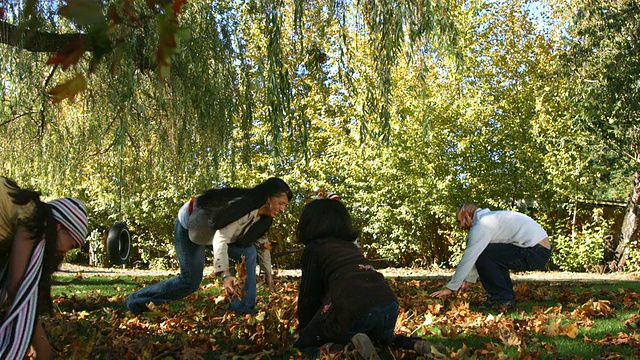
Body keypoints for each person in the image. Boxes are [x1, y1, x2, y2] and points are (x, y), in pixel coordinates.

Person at [294, 199, 442, 359]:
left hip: (352, 308)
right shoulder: (351, 247)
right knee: (381, 340)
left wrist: (306, 331)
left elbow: (309, 296)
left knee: (308, 344)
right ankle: (414, 345)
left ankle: (344, 350)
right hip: (388, 305)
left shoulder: (314, 249)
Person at [125, 177, 292, 316]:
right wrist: (225, 274)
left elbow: (262, 246)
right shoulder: (242, 206)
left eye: (285, 205)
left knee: (248, 251)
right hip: (193, 225)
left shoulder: (264, 219)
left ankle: (243, 308)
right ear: (268, 197)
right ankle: (136, 299)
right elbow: (221, 237)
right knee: (190, 281)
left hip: (214, 235)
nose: (283, 209)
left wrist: (269, 276)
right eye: (281, 203)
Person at [0, 176, 88, 360]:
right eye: (70, 245)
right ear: (59, 228)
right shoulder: (33, 221)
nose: (64, 253)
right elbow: (17, 287)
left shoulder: (26, 212)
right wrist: (41, 346)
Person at [431, 202, 552, 308]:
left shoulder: (482, 224)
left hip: (535, 251)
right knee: (490, 253)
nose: (461, 226)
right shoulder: (491, 219)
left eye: (460, 221)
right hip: (539, 251)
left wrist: (451, 288)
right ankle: (505, 297)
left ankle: (502, 299)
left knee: (486, 253)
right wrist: (469, 280)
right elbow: (479, 252)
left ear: (468, 214)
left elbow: (470, 256)